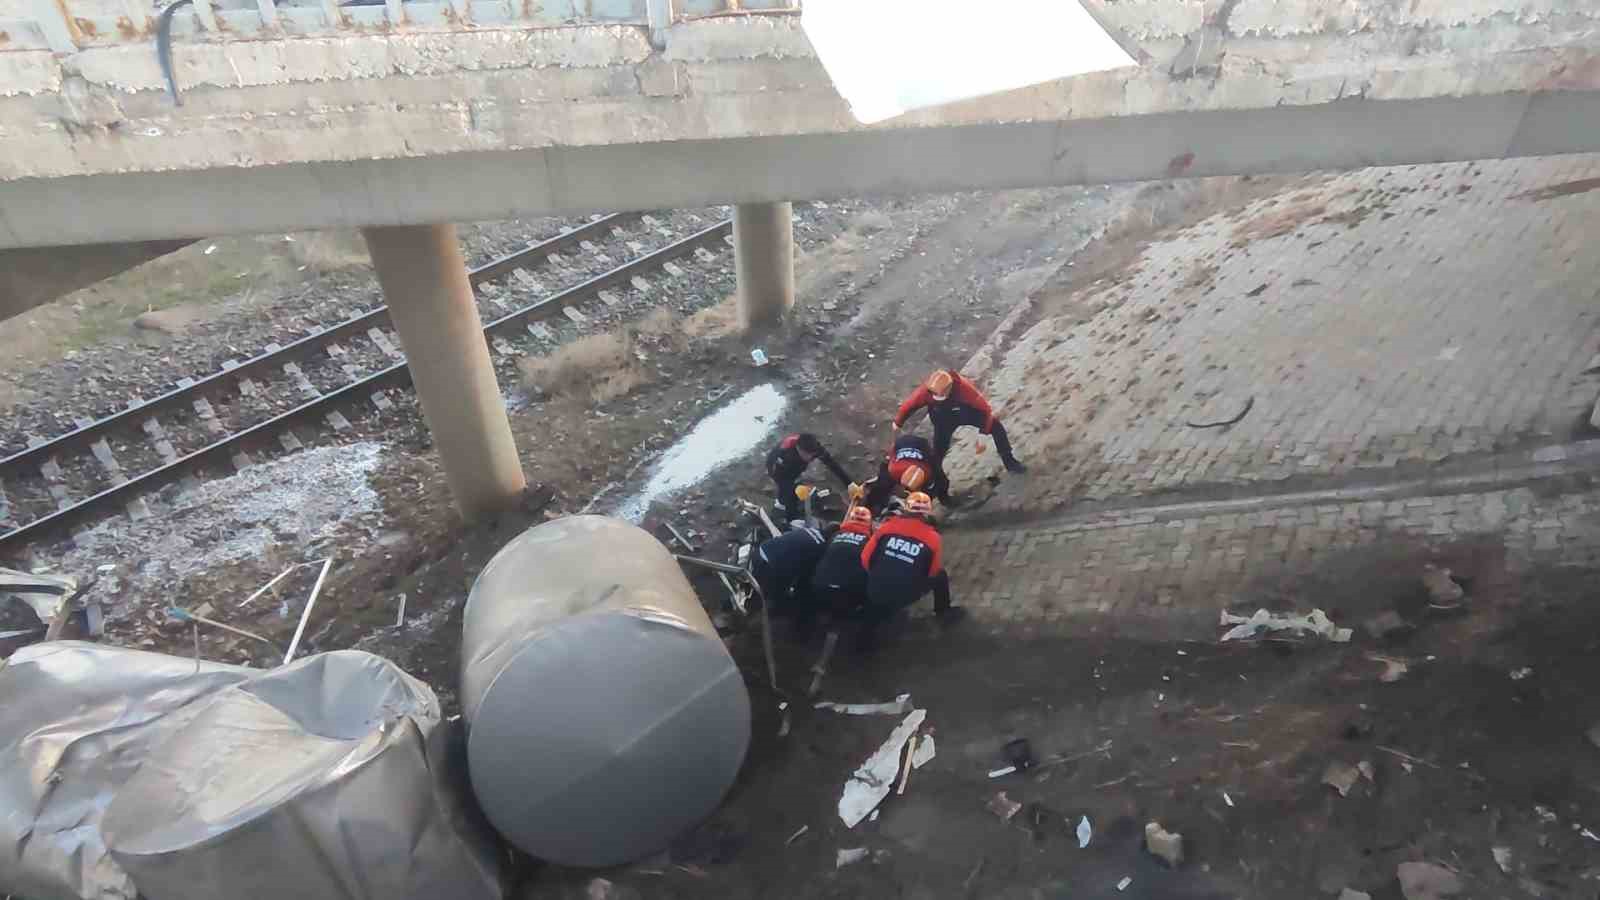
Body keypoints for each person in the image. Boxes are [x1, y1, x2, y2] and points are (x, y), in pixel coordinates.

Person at [892, 369, 1024, 503]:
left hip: (968, 414)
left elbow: (986, 411)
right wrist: (898, 422)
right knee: (936, 457)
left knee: (997, 428)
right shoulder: (926, 392)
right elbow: (909, 405)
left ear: (950, 388)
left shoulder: (966, 390)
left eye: (941, 394)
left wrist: (982, 435)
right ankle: (943, 495)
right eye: (934, 394)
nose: (936, 397)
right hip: (943, 422)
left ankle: (1010, 461)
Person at [858, 492, 963, 650]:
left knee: (874, 606)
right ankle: (943, 612)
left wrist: (881, 574)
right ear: (927, 513)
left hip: (875, 590)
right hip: (906, 594)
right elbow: (932, 571)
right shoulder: (932, 537)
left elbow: (865, 558)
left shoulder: (886, 528)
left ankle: (863, 643)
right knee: (940, 576)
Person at [749, 523, 833, 623]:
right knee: (776, 596)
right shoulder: (821, 546)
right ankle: (765, 621)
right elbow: (807, 575)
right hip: (769, 566)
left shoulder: (809, 529)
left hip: (760, 552)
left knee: (762, 588)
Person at [808, 504, 876, 627]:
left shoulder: (835, 535)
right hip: (850, 592)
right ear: (869, 525)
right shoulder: (871, 543)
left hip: (819, 587)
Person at [766, 433, 855, 524]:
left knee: (799, 490)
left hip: (796, 465)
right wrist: (794, 487)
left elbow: (832, 464)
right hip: (778, 470)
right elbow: (779, 478)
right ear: (798, 448)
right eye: (806, 454)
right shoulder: (784, 454)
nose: (809, 457)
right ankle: (788, 519)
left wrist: (849, 483)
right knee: (788, 497)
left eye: (812, 455)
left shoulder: (815, 448)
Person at [862, 432, 936, 514]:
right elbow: (889, 459)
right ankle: (871, 504)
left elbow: (930, 460)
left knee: (935, 484)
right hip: (901, 443)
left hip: (921, 445)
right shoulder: (894, 470)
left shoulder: (928, 473)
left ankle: (944, 497)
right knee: (883, 484)